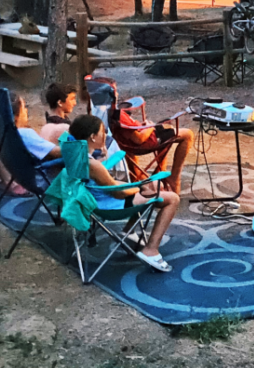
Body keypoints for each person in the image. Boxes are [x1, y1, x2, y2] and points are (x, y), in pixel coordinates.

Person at [69, 114, 180, 273]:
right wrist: (139, 187)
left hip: (93, 198)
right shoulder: (93, 165)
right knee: (172, 199)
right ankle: (151, 250)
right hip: (110, 205)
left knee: (154, 185)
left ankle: (130, 230)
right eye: (102, 132)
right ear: (93, 137)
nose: (105, 136)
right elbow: (119, 193)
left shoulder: (75, 155)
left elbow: (99, 178)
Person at [9, 92, 62, 163]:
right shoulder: (23, 134)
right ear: (15, 116)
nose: (26, 111)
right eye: (24, 107)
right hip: (43, 171)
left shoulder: (4, 134)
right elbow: (57, 152)